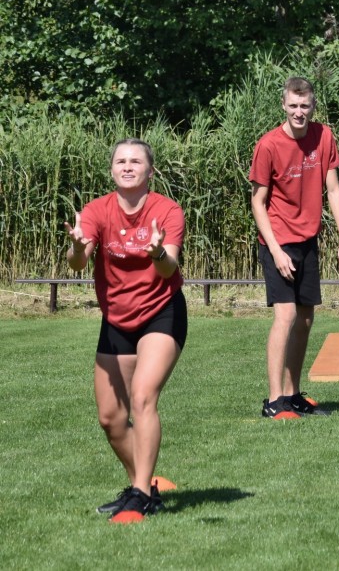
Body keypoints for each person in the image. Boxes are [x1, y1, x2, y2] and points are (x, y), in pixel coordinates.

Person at [64, 138, 187, 523]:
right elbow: (77, 264)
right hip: (116, 318)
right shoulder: (97, 210)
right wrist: (76, 248)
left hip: (161, 311)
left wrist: (156, 252)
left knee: (143, 397)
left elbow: (168, 268)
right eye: (121, 161)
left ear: (150, 171)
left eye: (136, 161)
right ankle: (142, 483)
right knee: (111, 419)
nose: (128, 166)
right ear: (112, 170)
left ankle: (141, 496)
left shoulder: (167, 210)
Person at [250, 76, 339, 420]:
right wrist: (276, 250)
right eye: (293, 105)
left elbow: (333, 190)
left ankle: (293, 395)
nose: (299, 112)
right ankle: (273, 401)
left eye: (304, 106)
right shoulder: (268, 145)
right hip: (278, 240)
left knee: (306, 318)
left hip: (308, 240)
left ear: (313, 106)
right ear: (284, 105)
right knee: (286, 315)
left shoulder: (323, 136)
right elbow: (258, 203)